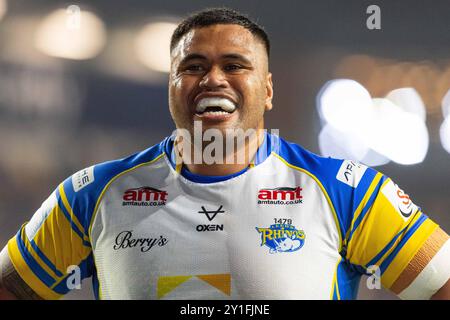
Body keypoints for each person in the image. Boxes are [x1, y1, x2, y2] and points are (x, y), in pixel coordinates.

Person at [0, 7, 449, 300]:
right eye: (193, 67)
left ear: (268, 89)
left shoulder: (346, 191)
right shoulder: (92, 194)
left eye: (234, 65)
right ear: (171, 87)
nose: (213, 79)